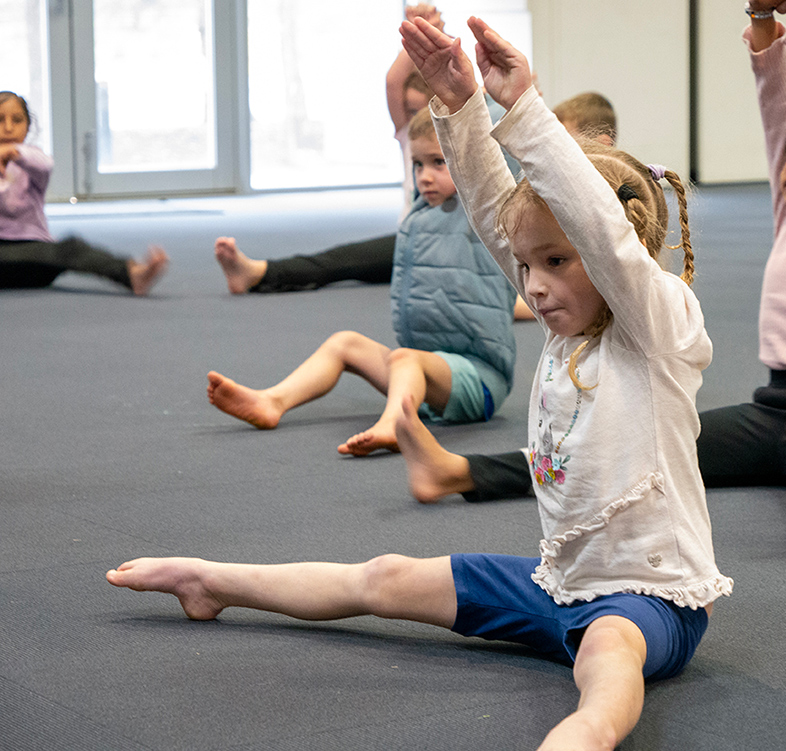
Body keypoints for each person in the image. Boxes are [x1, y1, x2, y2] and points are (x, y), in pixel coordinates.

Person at [108, 18, 732, 751]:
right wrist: (464, 104)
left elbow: (600, 234)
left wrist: (525, 110)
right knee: (383, 575)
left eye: (555, 263)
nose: (532, 284)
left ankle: (587, 734)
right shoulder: (566, 321)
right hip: (557, 584)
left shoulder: (659, 329)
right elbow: (500, 218)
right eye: (528, 268)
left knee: (606, 655)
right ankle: (212, 581)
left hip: (649, 600)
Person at [395, 0, 786, 550]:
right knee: (636, 452)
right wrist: (764, 30)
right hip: (771, 408)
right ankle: (462, 472)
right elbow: (777, 113)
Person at [206, 105, 517, 457]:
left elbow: (496, 147)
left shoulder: (485, 213)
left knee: (406, 360)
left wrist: (493, 98)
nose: (425, 176)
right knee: (345, 343)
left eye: (438, 163)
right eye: (417, 165)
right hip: (421, 372)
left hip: (479, 380)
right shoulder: (420, 216)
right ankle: (272, 401)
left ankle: (395, 425)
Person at [212, 4, 442, 296]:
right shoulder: (412, 139)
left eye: (423, 111)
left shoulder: (456, 143)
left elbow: (462, 91)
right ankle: (258, 272)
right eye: (409, 112)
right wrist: (420, 35)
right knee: (340, 261)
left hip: (449, 246)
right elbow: (393, 82)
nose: (414, 119)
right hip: (416, 242)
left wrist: (438, 44)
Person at [0, 91, 168, 294]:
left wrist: (13, 153)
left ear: (27, 128)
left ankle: (132, 274)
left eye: (17, 120)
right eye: (0, 120)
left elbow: (45, 165)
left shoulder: (32, 159)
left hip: (37, 259)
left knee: (71, 247)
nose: (8, 128)